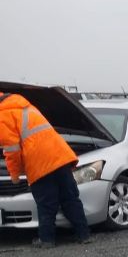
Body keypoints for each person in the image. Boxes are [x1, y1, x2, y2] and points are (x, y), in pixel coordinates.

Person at [0, 91, 91, 247]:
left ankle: (46, 239)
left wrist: (15, 174)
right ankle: (83, 235)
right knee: (70, 198)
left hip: (40, 163)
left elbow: (12, 149)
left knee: (46, 204)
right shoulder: (26, 107)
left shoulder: (3, 116)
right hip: (60, 156)